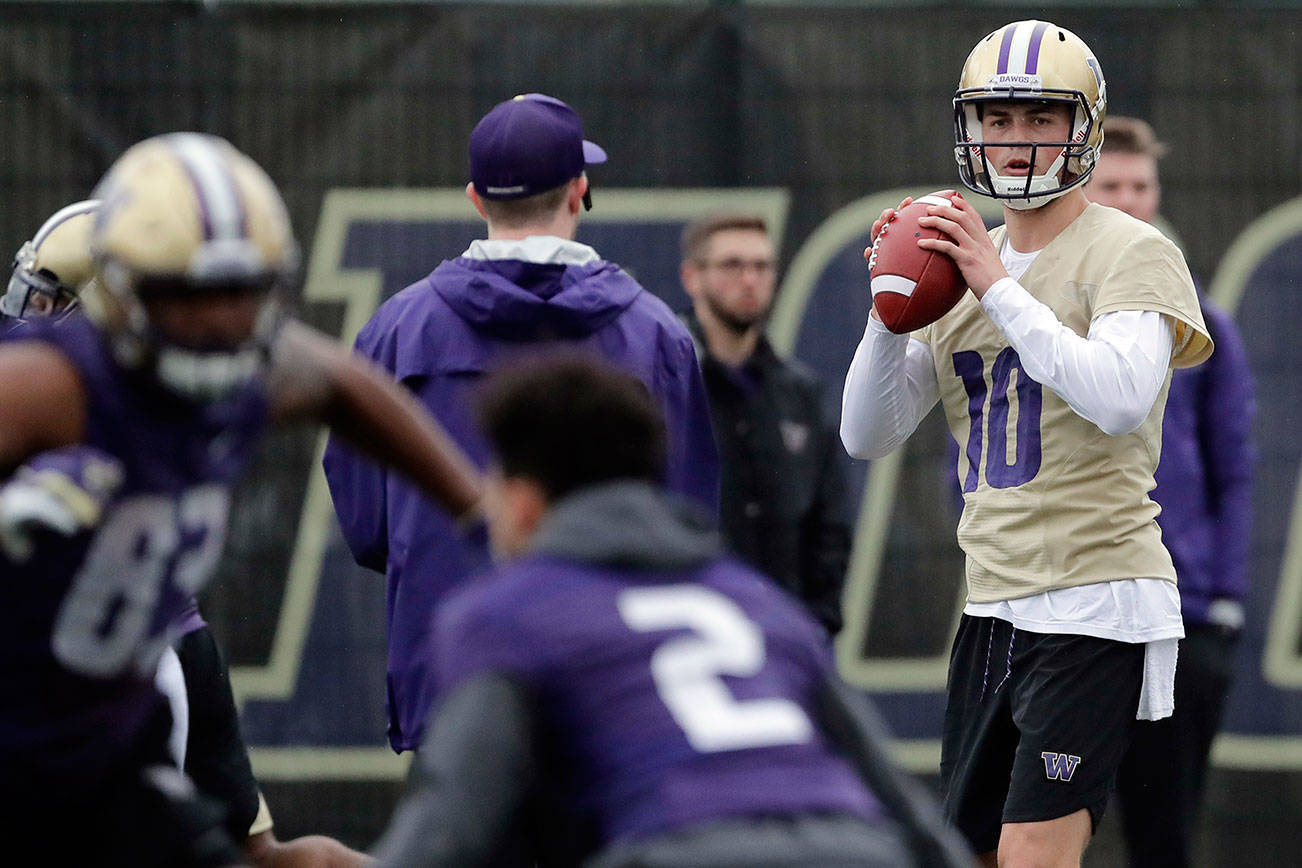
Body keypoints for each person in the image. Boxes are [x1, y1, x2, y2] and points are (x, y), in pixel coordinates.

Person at [0, 133, 480, 866]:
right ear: (123, 290)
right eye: (186, 295)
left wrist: (478, 508)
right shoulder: (50, 388)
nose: (217, 322)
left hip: (110, 744)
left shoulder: (258, 367)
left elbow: (342, 386)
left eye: (239, 293)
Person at [840, 20, 1213, 867]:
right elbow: (866, 435)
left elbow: (1118, 400)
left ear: (1083, 124)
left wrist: (998, 288)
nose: (1015, 142)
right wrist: (887, 309)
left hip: (1097, 594)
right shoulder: (969, 265)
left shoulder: (1131, 248)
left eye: (1040, 118)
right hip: (991, 601)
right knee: (967, 852)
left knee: (1035, 856)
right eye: (997, 121)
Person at [368, 355, 971, 868]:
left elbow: (449, 828)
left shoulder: (504, 614)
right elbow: (902, 802)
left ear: (523, 501)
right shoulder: (755, 600)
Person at [322, 92, 720, 753]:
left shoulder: (397, 328)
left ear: (476, 198)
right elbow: (685, 525)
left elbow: (368, 528)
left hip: (454, 683)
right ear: (578, 188)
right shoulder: (654, 335)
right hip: (611, 691)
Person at [1087, 116, 1257, 868]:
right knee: (1044, 827)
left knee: (1163, 838)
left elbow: (1234, 469)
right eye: (1110, 186)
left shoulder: (1204, 329)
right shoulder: (1036, 318)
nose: (1128, 200)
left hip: (1180, 619)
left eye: (1140, 186)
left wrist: (1219, 599)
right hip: (1068, 611)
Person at [679, 213, 851, 635]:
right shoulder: (665, 387)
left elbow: (829, 523)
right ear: (692, 277)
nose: (749, 279)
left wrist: (816, 621)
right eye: (732, 265)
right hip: (688, 631)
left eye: (761, 266)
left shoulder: (799, 394)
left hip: (784, 633)